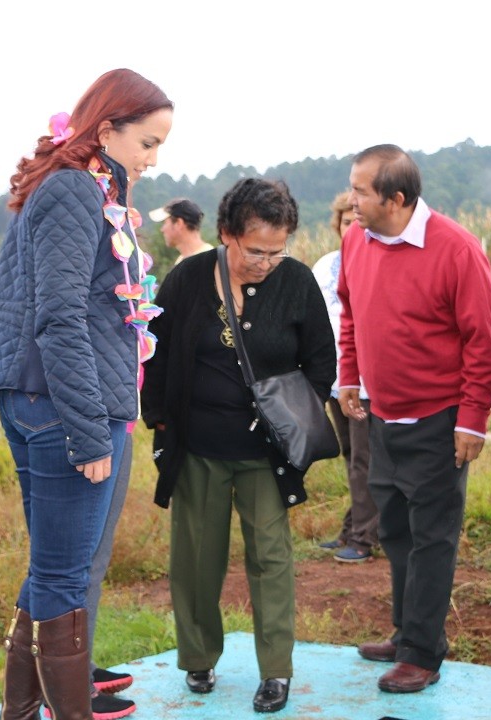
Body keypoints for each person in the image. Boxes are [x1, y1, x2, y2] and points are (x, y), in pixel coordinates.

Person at [0, 68, 173, 720]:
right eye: (147, 143)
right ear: (107, 128)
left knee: (51, 568)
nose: (155, 160)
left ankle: (20, 715)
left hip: (54, 401)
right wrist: (86, 429)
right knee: (63, 576)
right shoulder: (74, 192)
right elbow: (60, 318)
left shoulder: (81, 189)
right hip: (63, 407)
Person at [141, 177, 336, 714]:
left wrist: (293, 416)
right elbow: (155, 349)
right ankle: (198, 656)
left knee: (271, 558)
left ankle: (276, 671)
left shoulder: (296, 282)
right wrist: (156, 416)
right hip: (199, 447)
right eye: (255, 250)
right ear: (226, 234)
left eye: (278, 250)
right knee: (197, 558)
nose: (266, 262)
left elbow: (322, 362)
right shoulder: (187, 279)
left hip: (265, 457)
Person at [338, 145, 491, 694]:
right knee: (396, 529)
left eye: (362, 191)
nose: (352, 200)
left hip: (439, 418)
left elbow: (484, 342)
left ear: (398, 198)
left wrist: (472, 420)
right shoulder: (354, 240)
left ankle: (423, 654)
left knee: (433, 536)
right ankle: (408, 631)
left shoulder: (456, 249)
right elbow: (352, 316)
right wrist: (350, 378)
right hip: (382, 415)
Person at [311, 190, 378, 563]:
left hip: (368, 382)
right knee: (351, 455)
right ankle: (353, 528)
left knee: (365, 459)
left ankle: (365, 538)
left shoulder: (379, 261)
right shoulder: (326, 265)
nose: (351, 226)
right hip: (338, 379)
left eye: (357, 220)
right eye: (345, 221)